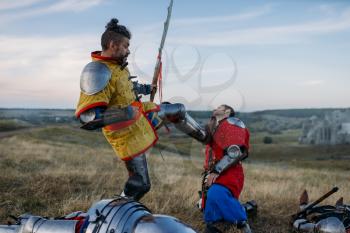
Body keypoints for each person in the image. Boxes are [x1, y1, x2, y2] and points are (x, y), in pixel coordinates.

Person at [75, 18, 209, 201]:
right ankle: (113, 214)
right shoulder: (97, 71)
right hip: (125, 134)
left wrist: (145, 89)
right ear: (113, 44)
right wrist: (124, 114)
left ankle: (207, 139)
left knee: (177, 109)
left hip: (140, 115)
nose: (128, 50)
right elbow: (88, 118)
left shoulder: (118, 66)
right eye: (126, 46)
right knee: (140, 184)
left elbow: (125, 90)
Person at [200, 105, 253, 233]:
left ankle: (242, 223)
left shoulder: (234, 123)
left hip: (230, 172)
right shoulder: (215, 127)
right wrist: (177, 116)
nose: (215, 108)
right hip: (214, 173)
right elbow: (196, 133)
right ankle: (215, 226)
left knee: (216, 193)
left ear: (227, 111)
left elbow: (236, 152)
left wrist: (216, 171)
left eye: (220, 107)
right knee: (211, 210)